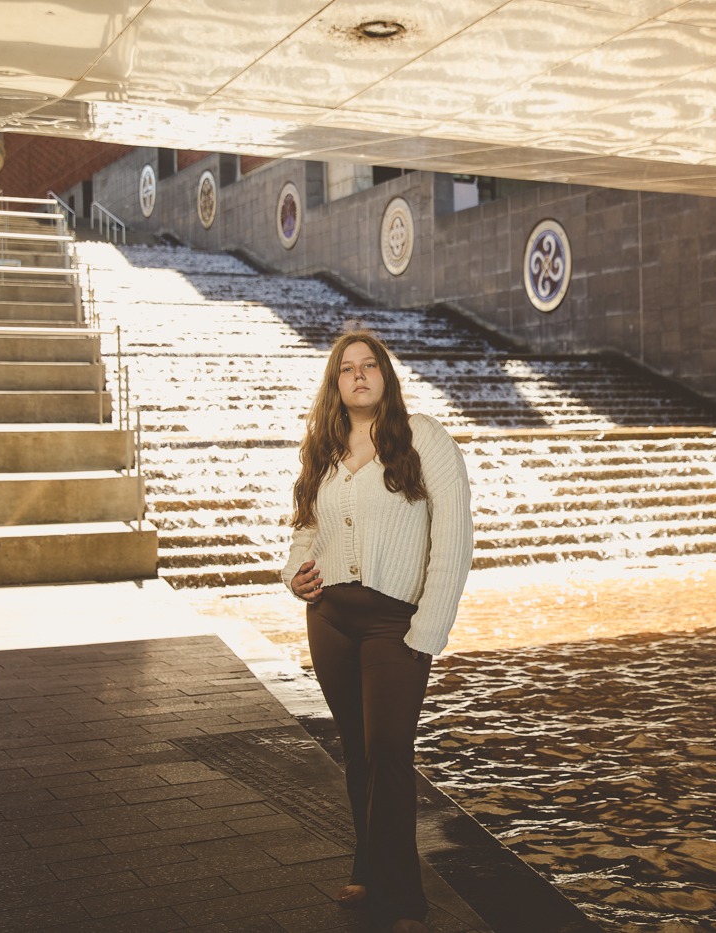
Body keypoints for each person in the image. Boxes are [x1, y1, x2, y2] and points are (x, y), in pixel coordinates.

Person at [283, 329, 473, 933]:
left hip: (396, 623)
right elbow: (306, 529)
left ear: (386, 376)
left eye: (370, 365)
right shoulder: (326, 447)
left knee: (390, 752)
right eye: (347, 368)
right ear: (335, 384)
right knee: (358, 751)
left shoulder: (425, 438)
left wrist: (429, 629)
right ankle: (368, 867)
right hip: (331, 619)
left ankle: (405, 902)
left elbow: (454, 541)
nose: (359, 375)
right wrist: (295, 573)